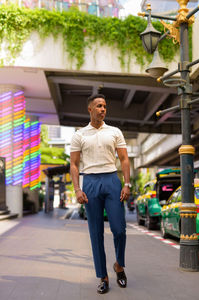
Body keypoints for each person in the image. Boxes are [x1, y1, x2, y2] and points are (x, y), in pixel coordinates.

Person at [70, 94, 131, 294]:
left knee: (119, 228)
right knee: (95, 234)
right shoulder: (80, 135)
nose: (103, 109)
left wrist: (127, 184)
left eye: (104, 106)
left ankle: (119, 265)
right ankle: (103, 277)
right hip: (91, 183)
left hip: (112, 180)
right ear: (90, 109)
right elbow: (74, 164)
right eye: (98, 106)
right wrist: (78, 189)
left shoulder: (114, 131)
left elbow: (123, 159)